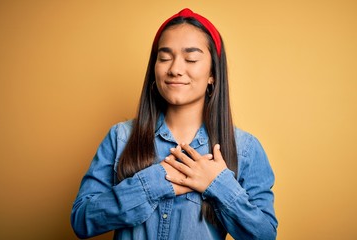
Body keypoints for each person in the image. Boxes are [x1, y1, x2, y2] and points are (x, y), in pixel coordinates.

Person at [71, 8, 278, 240]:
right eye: (164, 58)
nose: (175, 69)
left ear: (213, 74)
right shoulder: (120, 137)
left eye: (191, 58)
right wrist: (155, 182)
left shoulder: (246, 149)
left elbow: (264, 235)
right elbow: (82, 220)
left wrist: (217, 184)